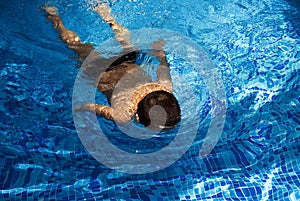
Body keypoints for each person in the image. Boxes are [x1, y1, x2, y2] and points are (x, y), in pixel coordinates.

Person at [43, 4, 181, 129]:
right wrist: (80, 108)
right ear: (137, 117)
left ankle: (107, 15)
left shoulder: (165, 87)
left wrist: (160, 55)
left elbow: (163, 65)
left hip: (128, 63)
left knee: (128, 42)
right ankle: (55, 17)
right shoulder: (123, 115)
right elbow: (96, 108)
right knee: (76, 46)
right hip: (102, 73)